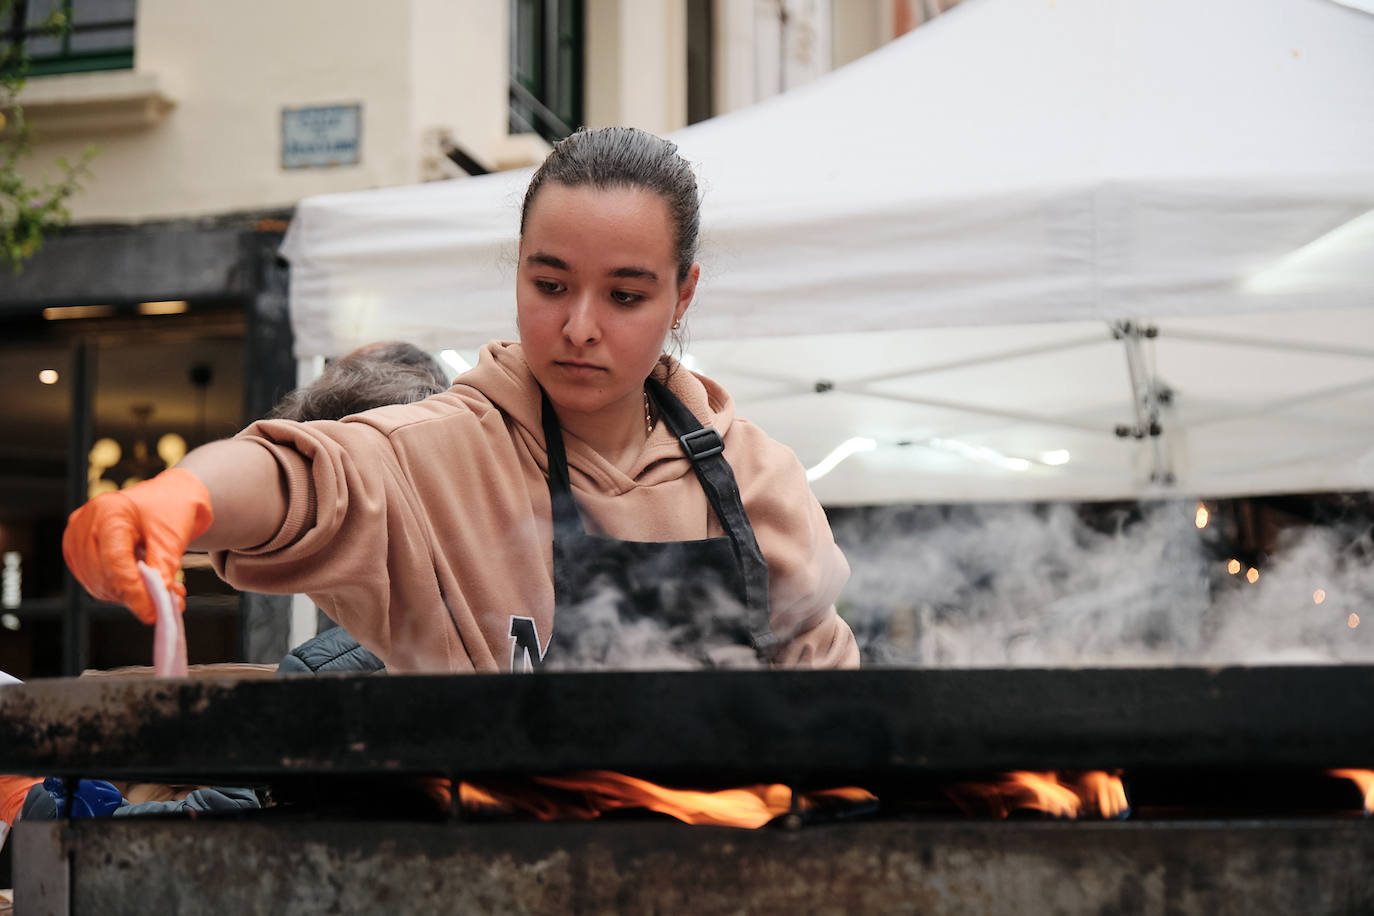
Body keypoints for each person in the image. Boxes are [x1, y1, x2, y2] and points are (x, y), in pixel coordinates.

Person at [62, 126, 858, 673]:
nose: (579, 326)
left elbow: (831, 701)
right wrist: (184, 495)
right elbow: (301, 479)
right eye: (549, 285)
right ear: (517, 268)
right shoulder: (441, 455)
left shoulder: (756, 478)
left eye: (625, 295)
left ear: (683, 294)